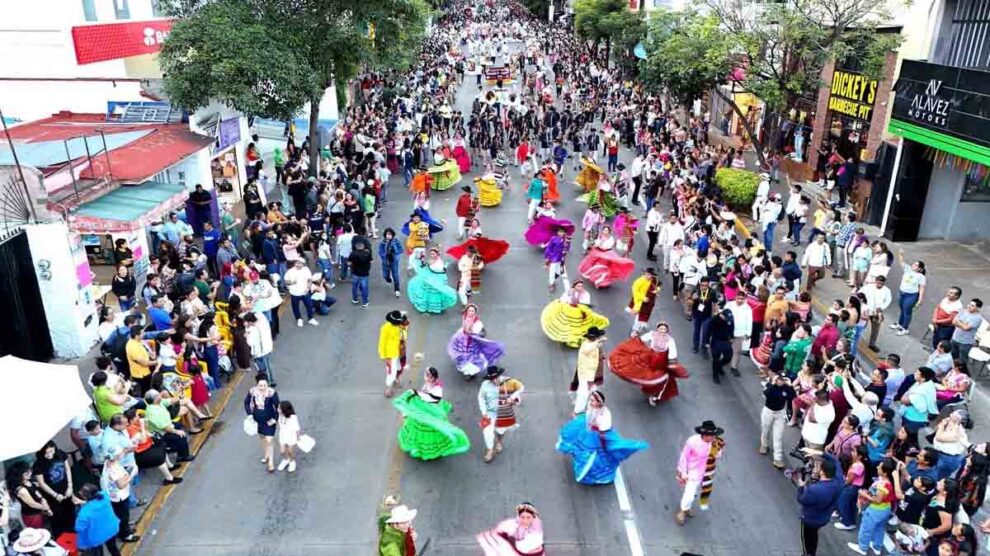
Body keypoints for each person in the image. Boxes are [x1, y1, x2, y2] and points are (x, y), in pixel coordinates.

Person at [556, 390, 648, 484]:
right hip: (588, 434)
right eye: (590, 400)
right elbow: (587, 418)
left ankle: (596, 475)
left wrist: (594, 428)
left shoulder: (605, 413)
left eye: (593, 401)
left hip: (597, 438)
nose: (591, 402)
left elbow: (605, 428)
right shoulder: (591, 408)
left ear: (599, 402)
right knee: (584, 451)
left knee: (594, 457)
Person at [392, 365, 471, 460]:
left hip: (432, 411)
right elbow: (424, 395)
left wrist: (416, 393)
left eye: (427, 375)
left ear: (432, 378)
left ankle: (429, 450)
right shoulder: (428, 384)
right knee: (418, 427)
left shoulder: (438, 389)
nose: (425, 376)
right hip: (424, 408)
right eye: (426, 374)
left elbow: (432, 399)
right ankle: (418, 448)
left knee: (432, 429)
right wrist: (416, 395)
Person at [676, 420, 726, 525]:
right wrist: (683, 472)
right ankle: (682, 510)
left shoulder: (716, 443)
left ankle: (687, 507)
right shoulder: (692, 442)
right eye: (711, 436)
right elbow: (684, 457)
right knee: (689, 493)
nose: (713, 438)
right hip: (693, 472)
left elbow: (718, 455)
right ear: (705, 435)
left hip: (706, 472)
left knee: (694, 493)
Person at [795, 452, 843, 556]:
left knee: (806, 539)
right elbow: (836, 462)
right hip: (823, 517)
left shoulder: (814, 490)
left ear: (822, 472)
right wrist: (819, 453)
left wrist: (801, 486)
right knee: (813, 535)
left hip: (810, 519)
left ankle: (807, 554)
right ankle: (812, 552)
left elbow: (801, 499)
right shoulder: (839, 481)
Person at [477, 365, 524, 463]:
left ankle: (499, 442)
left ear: (500, 375)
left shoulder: (509, 382)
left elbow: (521, 388)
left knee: (501, 431)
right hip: (490, 412)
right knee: (487, 431)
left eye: (496, 378)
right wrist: (484, 412)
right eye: (491, 379)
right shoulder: (485, 385)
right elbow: (481, 397)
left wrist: (513, 397)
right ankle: (490, 450)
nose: (494, 381)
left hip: (503, 413)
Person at [447, 304, 506, 379]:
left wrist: (473, 334)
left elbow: (481, 333)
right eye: (469, 310)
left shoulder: (478, 323)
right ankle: (467, 371)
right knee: (461, 357)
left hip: (472, 343)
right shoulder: (465, 318)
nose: (470, 312)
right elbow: (463, 329)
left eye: (472, 311)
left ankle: (471, 373)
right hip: (462, 341)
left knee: (475, 359)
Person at [100, 445, 139, 543]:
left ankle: (123, 530)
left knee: (119, 514)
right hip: (119, 496)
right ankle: (125, 534)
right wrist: (132, 474)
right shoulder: (114, 470)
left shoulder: (108, 463)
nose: (123, 453)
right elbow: (121, 485)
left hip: (112, 495)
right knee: (123, 516)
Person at [476, 502, 545, 555]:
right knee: (492, 536)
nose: (525, 520)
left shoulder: (536, 525)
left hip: (533, 551)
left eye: (528, 517)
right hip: (523, 549)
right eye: (522, 517)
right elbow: (501, 529)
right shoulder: (514, 524)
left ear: (533, 517)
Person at [243, 373, 280, 473]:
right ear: (257, 385)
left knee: (269, 440)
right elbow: (246, 402)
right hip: (257, 420)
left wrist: (275, 419)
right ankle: (266, 454)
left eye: (264, 385)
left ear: (267, 384)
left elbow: (277, 407)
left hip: (269, 420)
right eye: (260, 385)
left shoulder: (272, 393)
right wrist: (249, 414)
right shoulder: (252, 391)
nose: (262, 387)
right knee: (262, 438)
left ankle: (271, 462)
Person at [73, 483, 122, 556]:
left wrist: (78, 507)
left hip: (96, 538)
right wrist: (84, 502)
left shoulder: (84, 513)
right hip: (112, 529)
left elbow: (79, 528)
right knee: (113, 548)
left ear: (85, 497)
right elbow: (96, 500)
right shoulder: (105, 496)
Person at [760, 373, 796, 469]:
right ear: (776, 379)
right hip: (768, 411)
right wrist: (772, 383)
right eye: (779, 379)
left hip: (780, 413)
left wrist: (791, 386)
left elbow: (793, 397)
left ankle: (778, 458)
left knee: (778, 436)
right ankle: (764, 445)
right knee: (766, 430)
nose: (781, 381)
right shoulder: (770, 386)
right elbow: (766, 394)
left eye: (783, 379)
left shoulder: (786, 388)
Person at [407, 247, 458, 314]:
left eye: (434, 254)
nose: (432, 255)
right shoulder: (432, 260)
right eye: (431, 254)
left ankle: (433, 308)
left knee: (434, 294)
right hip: (430, 279)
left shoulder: (439, 264)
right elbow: (427, 267)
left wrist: (426, 268)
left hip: (435, 280)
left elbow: (436, 271)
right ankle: (427, 306)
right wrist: (423, 264)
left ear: (437, 254)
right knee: (427, 293)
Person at [570, 327, 607, 415]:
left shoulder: (595, 345)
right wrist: (597, 342)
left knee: (592, 392)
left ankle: (590, 409)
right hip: (587, 374)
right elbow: (588, 350)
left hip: (592, 374)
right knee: (583, 393)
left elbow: (600, 355)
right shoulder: (586, 345)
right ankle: (577, 411)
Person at [379, 311, 410, 398]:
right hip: (391, 354)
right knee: (391, 370)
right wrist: (383, 355)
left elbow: (405, 334)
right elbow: (382, 343)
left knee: (400, 366)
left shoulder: (402, 324)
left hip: (401, 350)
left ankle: (396, 379)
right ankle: (389, 388)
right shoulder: (385, 328)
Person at [859, 275, 892, 352]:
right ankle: (853, 338)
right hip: (866, 310)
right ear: (875, 281)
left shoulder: (887, 290)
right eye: (878, 283)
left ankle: (872, 344)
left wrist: (882, 307)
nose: (879, 285)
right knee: (860, 325)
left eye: (881, 284)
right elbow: (859, 294)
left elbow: (888, 300)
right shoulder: (868, 287)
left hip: (877, 312)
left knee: (876, 329)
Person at [284, 259, 319, 327]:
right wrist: (292, 282)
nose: (298, 264)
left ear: (303, 264)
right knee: (295, 307)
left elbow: (309, 280)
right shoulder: (290, 272)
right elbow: (286, 282)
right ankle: (299, 319)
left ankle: (310, 318)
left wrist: (308, 288)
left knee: (309, 305)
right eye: (297, 263)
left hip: (304, 292)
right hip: (294, 293)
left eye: (300, 263)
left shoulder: (306, 270)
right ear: (294, 263)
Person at [626, 268, 660, 335]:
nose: (647, 276)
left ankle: (641, 325)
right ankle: (635, 330)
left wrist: (657, 290)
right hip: (640, 302)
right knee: (639, 316)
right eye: (646, 274)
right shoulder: (639, 281)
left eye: (649, 275)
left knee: (645, 315)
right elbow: (635, 291)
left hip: (649, 303)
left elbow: (658, 286)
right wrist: (643, 298)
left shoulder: (654, 280)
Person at [276, 401, 301, 473]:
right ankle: (286, 459)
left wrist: (298, 437)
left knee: (290, 451)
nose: (278, 409)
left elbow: (297, 428)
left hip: (291, 436)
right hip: (283, 436)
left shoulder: (293, 417)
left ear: (285, 409)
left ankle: (292, 462)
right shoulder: (279, 415)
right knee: (282, 451)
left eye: (279, 408)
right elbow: (279, 422)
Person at [379, 228, 404, 298]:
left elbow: (401, 250)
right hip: (385, 262)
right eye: (387, 234)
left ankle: (397, 290)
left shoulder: (396, 241)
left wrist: (395, 251)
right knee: (385, 275)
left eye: (390, 234)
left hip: (394, 261)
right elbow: (380, 251)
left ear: (392, 235)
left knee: (395, 275)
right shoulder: (383, 242)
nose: (388, 236)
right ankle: (388, 279)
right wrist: (384, 255)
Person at [348, 239, 374, 307]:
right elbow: (371, 261)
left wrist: (351, 266)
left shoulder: (353, 253)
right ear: (363, 246)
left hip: (355, 273)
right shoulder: (367, 253)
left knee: (354, 286)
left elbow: (349, 262)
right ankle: (365, 302)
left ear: (356, 246)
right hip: (364, 273)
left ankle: (355, 299)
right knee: (364, 287)